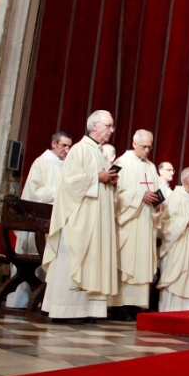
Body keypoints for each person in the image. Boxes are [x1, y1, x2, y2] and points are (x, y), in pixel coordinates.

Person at [42, 111, 119, 321]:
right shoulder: (79, 150)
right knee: (74, 261)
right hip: (80, 218)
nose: (111, 130)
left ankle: (86, 310)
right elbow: (68, 182)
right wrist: (97, 177)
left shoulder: (98, 153)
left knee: (92, 262)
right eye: (108, 125)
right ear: (94, 126)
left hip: (97, 219)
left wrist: (109, 181)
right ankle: (65, 309)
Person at [7, 131, 72, 308]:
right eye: (63, 145)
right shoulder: (41, 163)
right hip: (37, 224)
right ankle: (23, 302)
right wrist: (57, 194)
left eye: (69, 146)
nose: (66, 150)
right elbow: (34, 192)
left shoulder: (67, 166)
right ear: (54, 144)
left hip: (56, 223)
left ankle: (45, 302)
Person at [110, 130, 164, 318]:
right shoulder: (121, 163)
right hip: (129, 222)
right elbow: (115, 194)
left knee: (141, 263)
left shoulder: (151, 167)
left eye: (150, 147)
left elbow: (158, 192)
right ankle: (119, 306)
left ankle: (136, 306)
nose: (147, 150)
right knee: (127, 261)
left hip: (146, 222)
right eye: (144, 147)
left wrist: (158, 203)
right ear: (134, 144)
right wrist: (140, 196)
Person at [157, 167, 189, 311]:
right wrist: (186, 222)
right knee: (176, 279)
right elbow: (166, 222)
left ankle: (188, 313)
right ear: (186, 180)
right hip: (178, 245)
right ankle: (170, 312)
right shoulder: (176, 196)